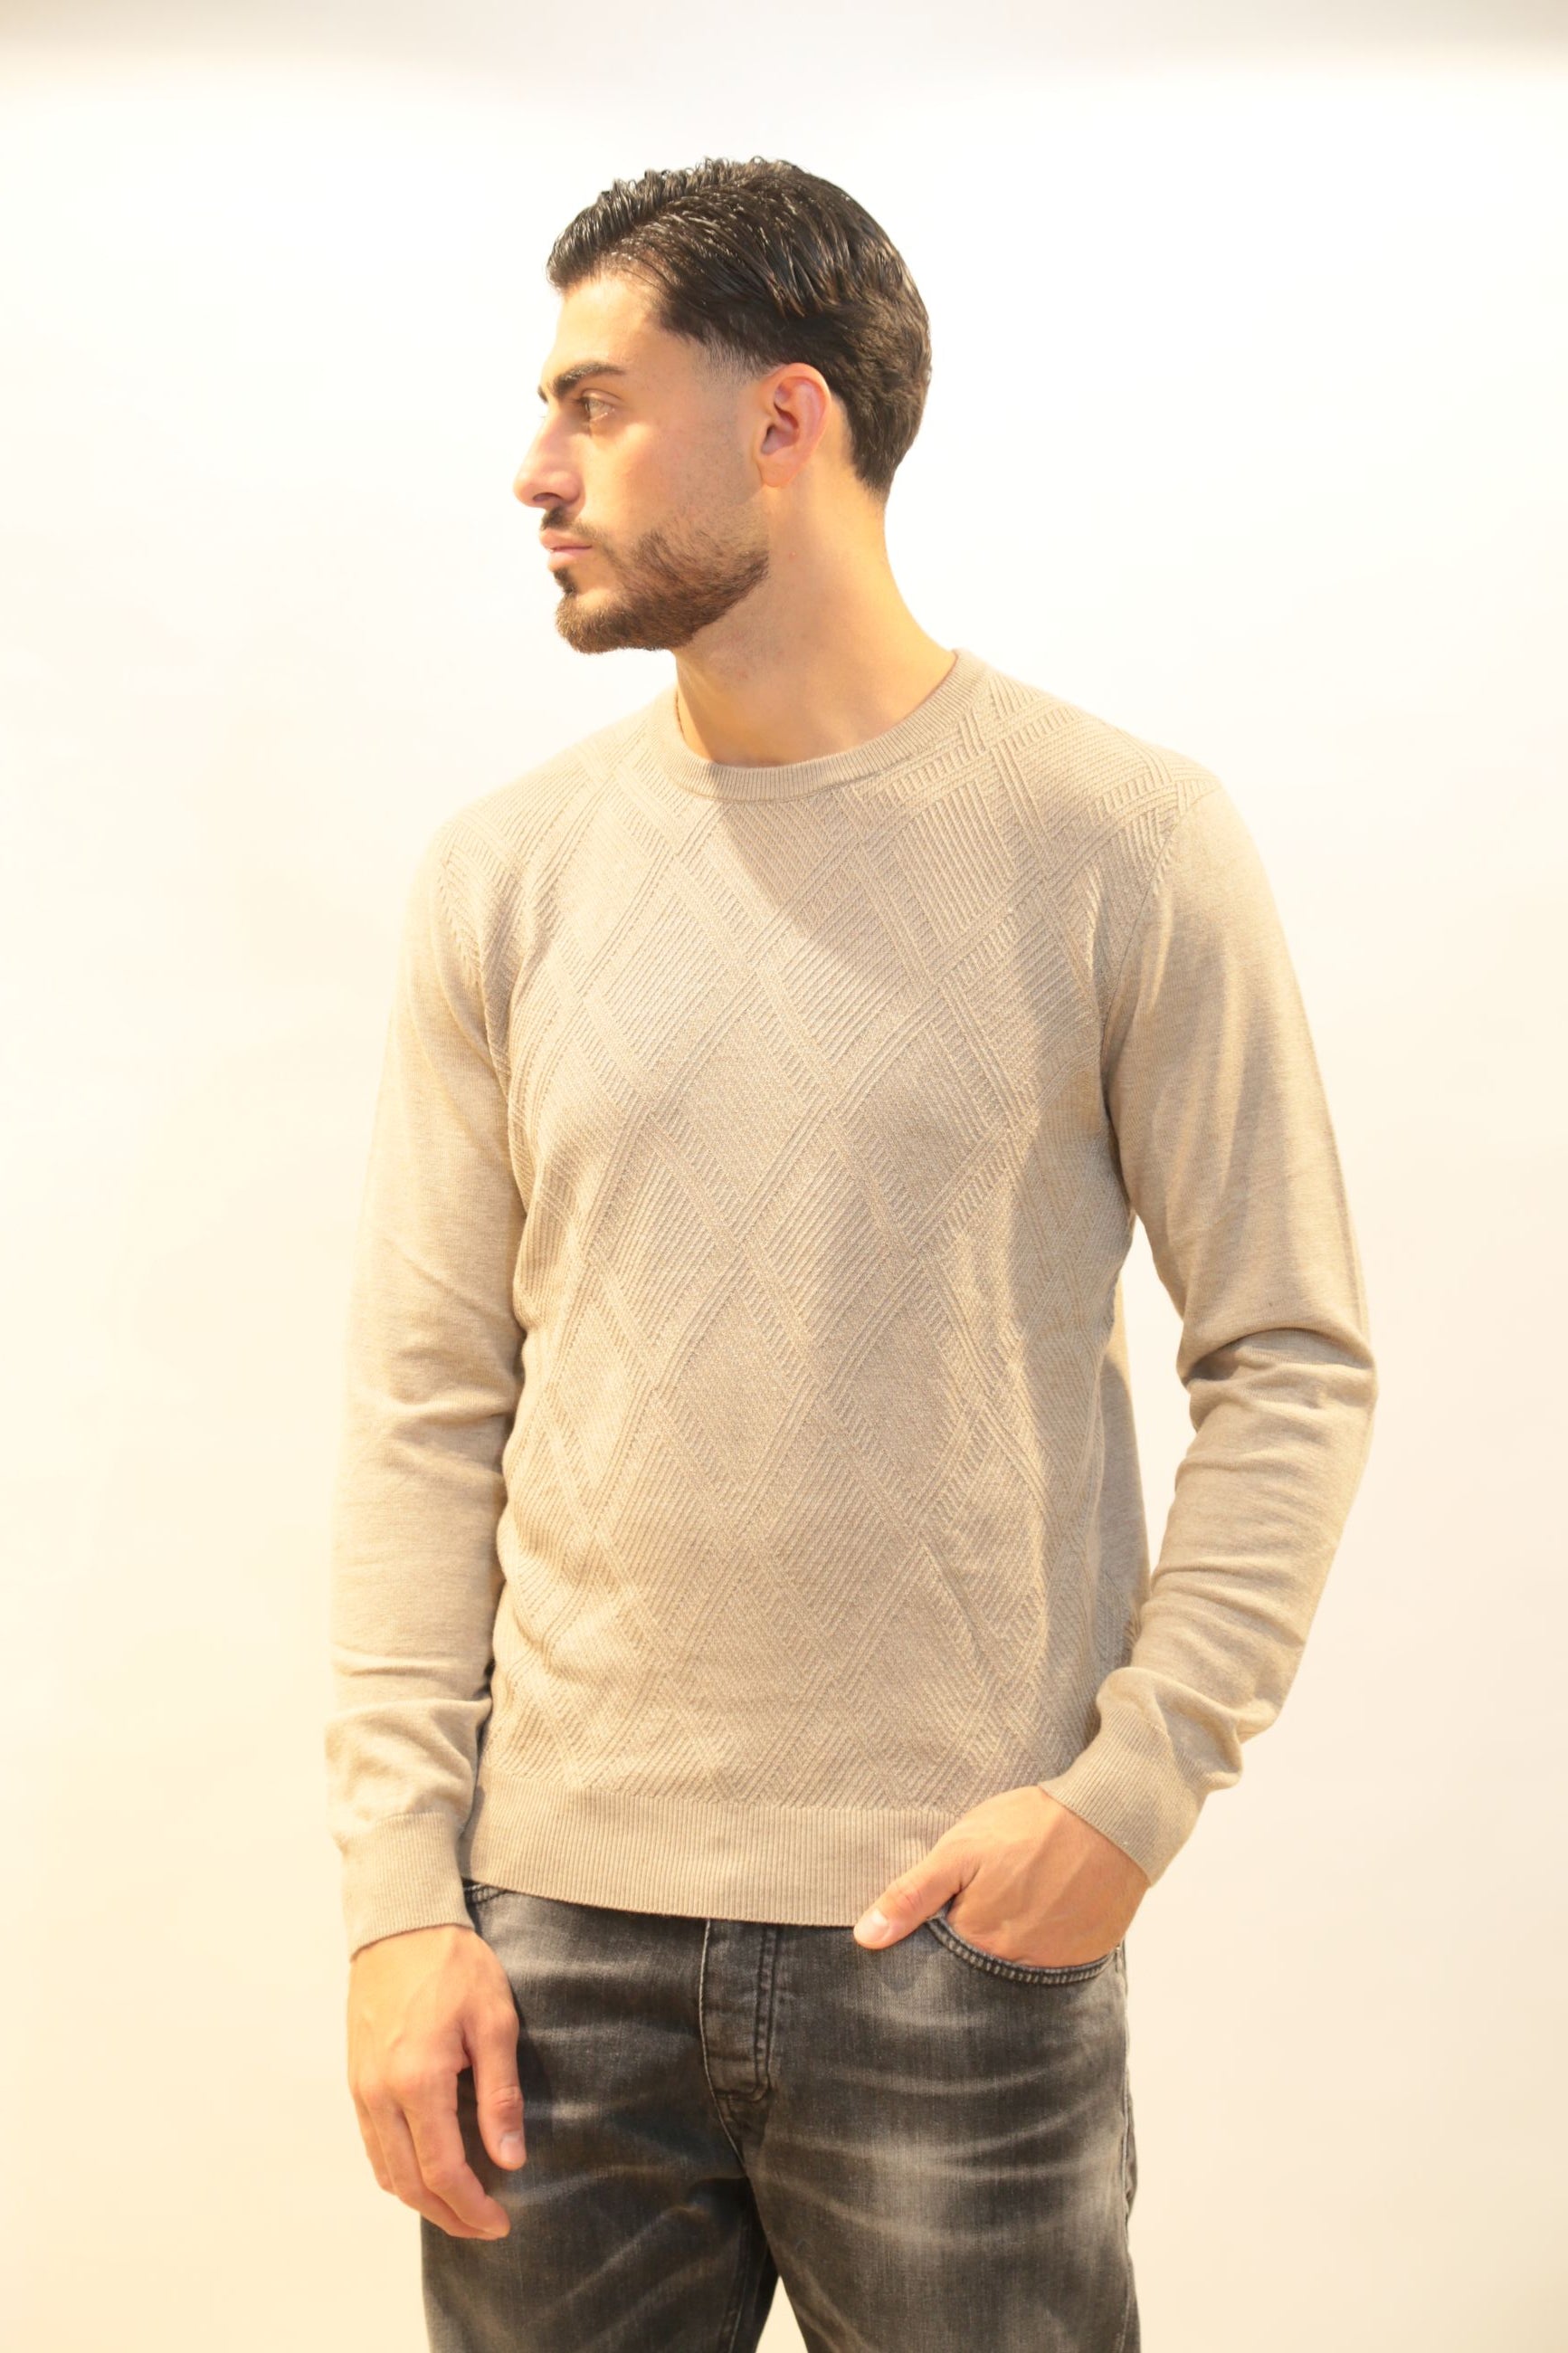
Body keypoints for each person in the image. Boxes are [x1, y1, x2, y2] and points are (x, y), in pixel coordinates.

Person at [326, 156, 1378, 2353]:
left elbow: (1290, 1352)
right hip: (547, 1961)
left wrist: (1134, 1792)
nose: (536, 471)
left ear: (783, 420)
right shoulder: (501, 880)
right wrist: (397, 1901)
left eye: (596, 403)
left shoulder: (1121, 841)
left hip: (954, 1942)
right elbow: (429, 1408)